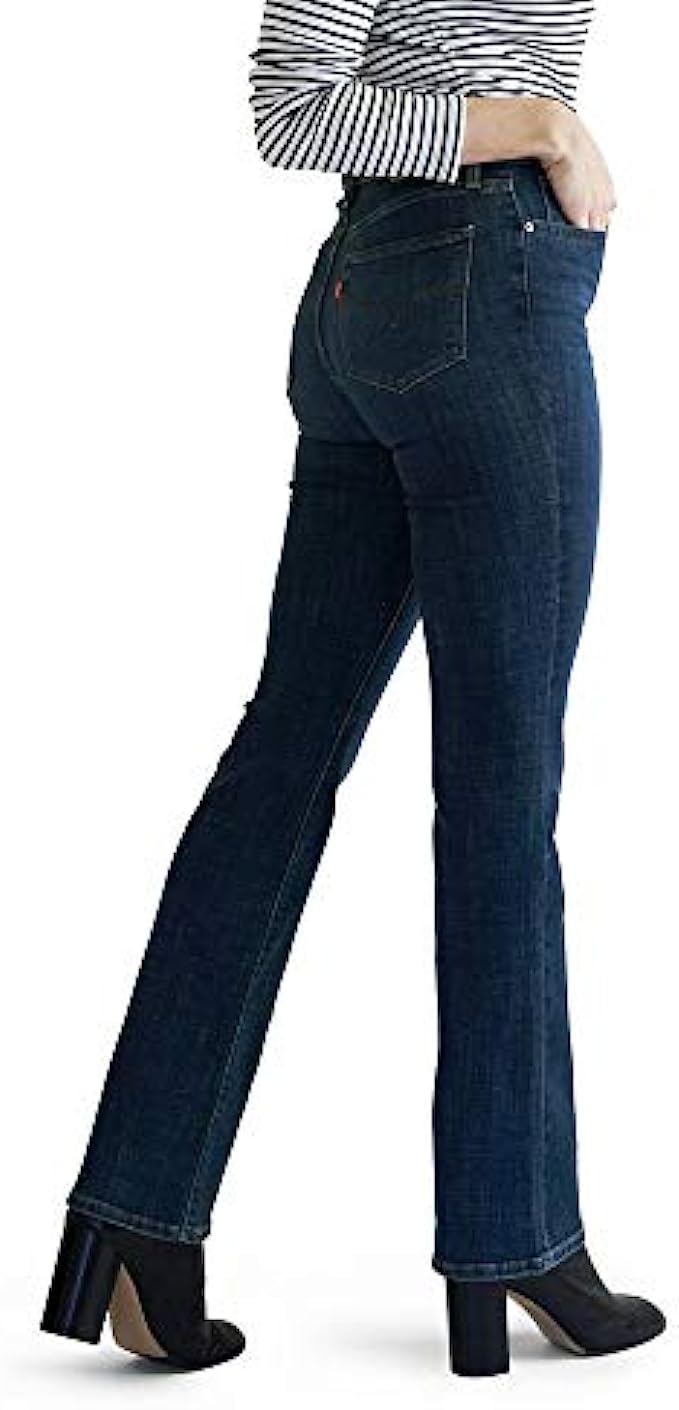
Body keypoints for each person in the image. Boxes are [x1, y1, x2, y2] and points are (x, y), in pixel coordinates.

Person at [40, 0, 666, 1377]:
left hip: (364, 299)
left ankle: (134, 1219)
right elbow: (296, 106)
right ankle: (514, 1239)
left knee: (281, 763)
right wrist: (543, 125)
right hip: (483, 291)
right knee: (502, 788)